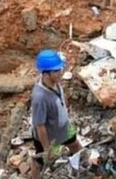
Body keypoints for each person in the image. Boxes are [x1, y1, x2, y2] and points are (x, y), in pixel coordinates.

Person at [30, 49, 82, 179]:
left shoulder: (55, 83)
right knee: (41, 161)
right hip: (50, 137)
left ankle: (80, 166)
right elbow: (40, 125)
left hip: (64, 127)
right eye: (56, 71)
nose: (61, 73)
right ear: (46, 74)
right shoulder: (40, 98)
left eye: (60, 69)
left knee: (75, 145)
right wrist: (47, 148)